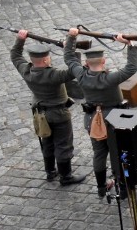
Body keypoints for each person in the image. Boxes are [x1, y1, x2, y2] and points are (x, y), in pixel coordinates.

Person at [63, 28, 137, 198]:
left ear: (87, 64)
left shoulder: (81, 75)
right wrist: (130, 45)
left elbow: (68, 58)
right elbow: (131, 67)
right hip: (114, 120)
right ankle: (123, 188)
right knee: (118, 154)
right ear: (103, 61)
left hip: (92, 119)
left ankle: (101, 187)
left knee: (99, 153)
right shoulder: (110, 78)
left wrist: (71, 37)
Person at [11, 30, 86, 185]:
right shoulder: (54, 75)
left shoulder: (26, 70)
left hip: (41, 114)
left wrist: (20, 39)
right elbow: (74, 69)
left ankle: (50, 172)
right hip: (59, 114)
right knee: (63, 145)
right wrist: (70, 47)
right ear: (45, 61)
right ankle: (66, 176)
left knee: (47, 142)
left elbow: (15, 55)